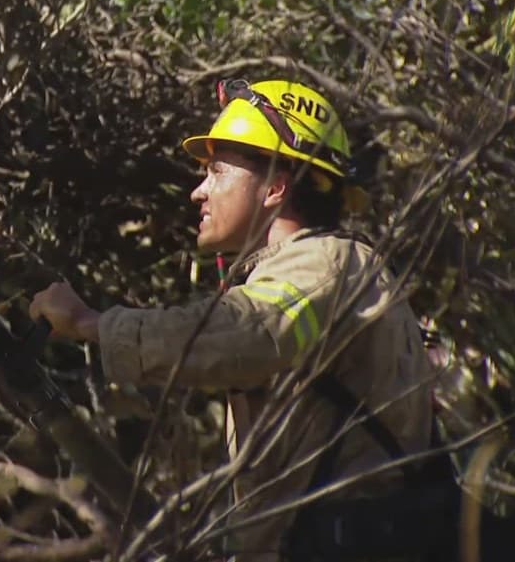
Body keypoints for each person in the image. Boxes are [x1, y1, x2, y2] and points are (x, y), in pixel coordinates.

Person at [29, 79, 436, 561]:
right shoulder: (333, 268)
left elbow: (249, 333)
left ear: (277, 186)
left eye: (217, 172)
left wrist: (91, 323)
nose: (198, 192)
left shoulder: (324, 265)